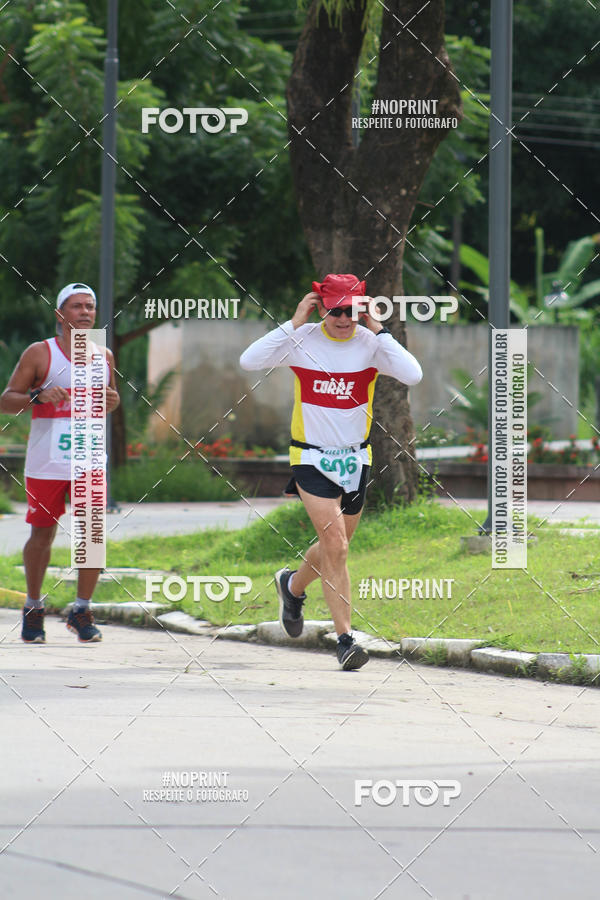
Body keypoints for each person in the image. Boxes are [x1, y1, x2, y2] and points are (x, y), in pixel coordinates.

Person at [240, 273, 422, 670]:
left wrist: (378, 327)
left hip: (356, 459)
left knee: (332, 548)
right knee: (336, 546)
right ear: (320, 307)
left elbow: (412, 374)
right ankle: (345, 641)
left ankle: (291, 585)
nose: (344, 318)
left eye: (352, 310)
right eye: (336, 310)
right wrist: (293, 323)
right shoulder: (302, 340)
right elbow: (249, 361)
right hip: (311, 457)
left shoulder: (370, 344)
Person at [0, 283, 120, 643]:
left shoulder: (105, 355)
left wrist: (112, 403)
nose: (85, 312)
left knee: (92, 535)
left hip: (89, 457)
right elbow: (6, 399)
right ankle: (34, 608)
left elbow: (108, 400)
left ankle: (81, 610)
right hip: (47, 461)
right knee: (43, 533)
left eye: (90, 307)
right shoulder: (40, 353)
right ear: (59, 314)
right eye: (76, 306)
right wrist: (36, 396)